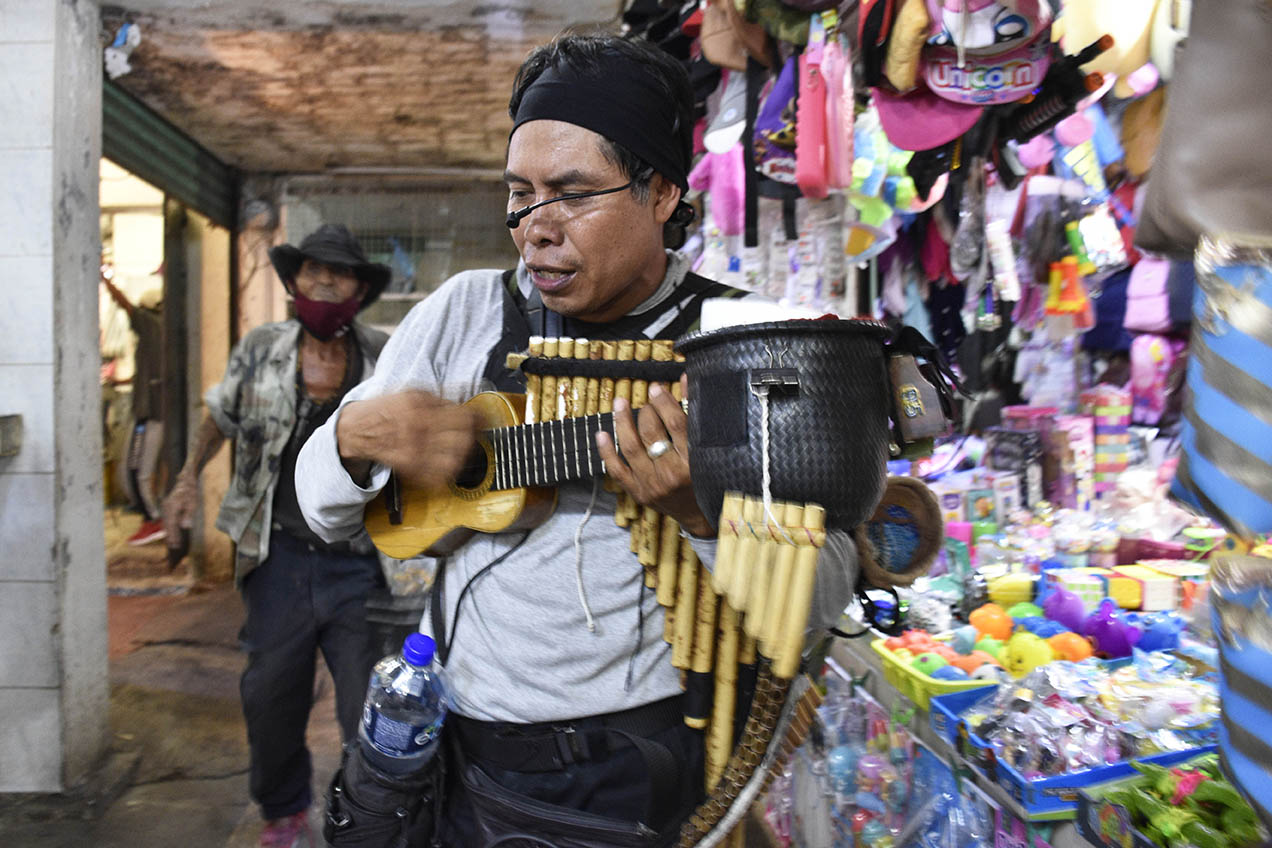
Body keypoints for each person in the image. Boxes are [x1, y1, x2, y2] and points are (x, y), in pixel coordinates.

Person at [295, 35, 862, 847]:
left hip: (629, 768)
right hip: (455, 747)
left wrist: (705, 519)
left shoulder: (751, 340)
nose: (536, 229)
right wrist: (355, 435)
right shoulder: (465, 311)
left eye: (572, 193)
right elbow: (320, 510)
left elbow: (823, 598)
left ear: (662, 190)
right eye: (519, 194)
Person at [163, 224, 392, 848]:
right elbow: (220, 415)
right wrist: (186, 481)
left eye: (338, 273)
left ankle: (365, 818)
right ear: (293, 282)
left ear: (359, 288)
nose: (323, 282)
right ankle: (284, 811)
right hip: (278, 557)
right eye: (312, 271)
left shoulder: (383, 357)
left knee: (368, 708)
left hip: (361, 563)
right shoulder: (262, 347)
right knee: (272, 698)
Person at [101, 274, 167, 545]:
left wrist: (105, 280)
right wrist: (124, 380)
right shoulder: (162, 333)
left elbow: (125, 305)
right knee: (137, 472)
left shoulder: (151, 324)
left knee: (134, 472)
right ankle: (152, 518)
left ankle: (153, 519)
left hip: (149, 414)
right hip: (151, 411)